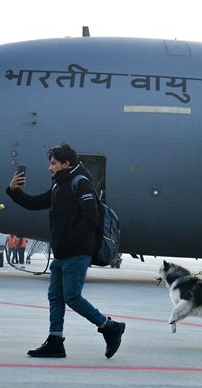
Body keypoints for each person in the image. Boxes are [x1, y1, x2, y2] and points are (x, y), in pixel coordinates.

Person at [7, 143, 125, 359]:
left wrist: (70, 243)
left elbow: (91, 218)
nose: (49, 168)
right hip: (62, 254)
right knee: (55, 297)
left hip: (77, 252)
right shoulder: (57, 187)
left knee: (72, 297)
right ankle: (55, 341)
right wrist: (14, 191)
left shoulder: (81, 184)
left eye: (53, 163)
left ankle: (110, 327)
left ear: (66, 163)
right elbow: (33, 203)